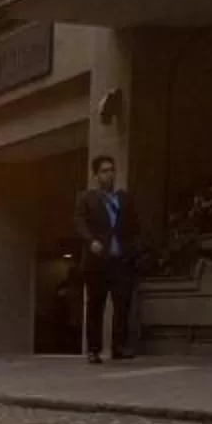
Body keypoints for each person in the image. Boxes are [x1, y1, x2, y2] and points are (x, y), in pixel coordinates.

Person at [74, 155, 142, 362]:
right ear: (96, 175)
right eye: (104, 170)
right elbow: (79, 223)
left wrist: (135, 250)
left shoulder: (124, 198)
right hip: (96, 262)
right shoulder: (87, 198)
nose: (109, 174)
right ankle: (94, 350)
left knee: (122, 305)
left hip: (120, 261)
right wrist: (90, 240)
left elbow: (133, 227)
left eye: (112, 169)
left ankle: (118, 347)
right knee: (96, 306)